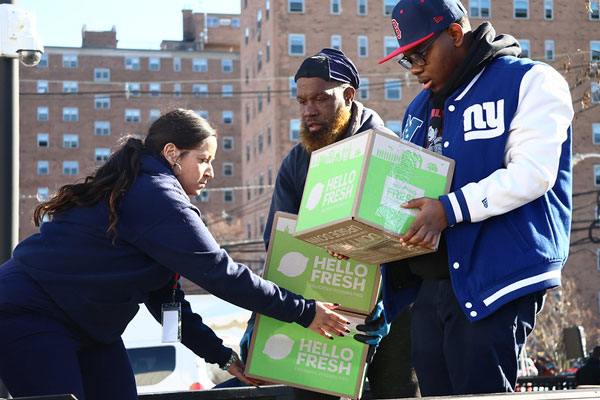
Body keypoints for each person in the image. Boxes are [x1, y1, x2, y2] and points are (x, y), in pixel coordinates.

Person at [0, 109, 350, 400]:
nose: (210, 171)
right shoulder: (157, 196)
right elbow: (220, 272)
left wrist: (221, 356)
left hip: (90, 328)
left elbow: (166, 303)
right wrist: (303, 311)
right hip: (31, 312)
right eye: (203, 160)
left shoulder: (149, 196)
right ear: (172, 154)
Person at [377, 0, 573, 396]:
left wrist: (448, 210)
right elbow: (408, 192)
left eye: (420, 53)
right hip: (431, 285)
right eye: (406, 59)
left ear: (454, 34)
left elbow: (533, 173)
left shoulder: (531, 79)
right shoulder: (418, 107)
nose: (414, 68)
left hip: (496, 275)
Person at [258, 48, 419, 398]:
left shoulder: (388, 149)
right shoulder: (296, 162)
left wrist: (386, 301)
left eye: (319, 99)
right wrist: (263, 314)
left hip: (388, 311)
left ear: (348, 95)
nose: (308, 111)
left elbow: (408, 235)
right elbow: (278, 241)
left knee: (396, 393)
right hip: (322, 308)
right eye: (301, 101)